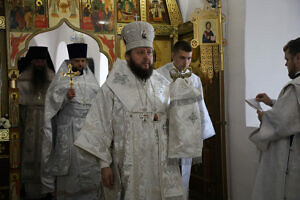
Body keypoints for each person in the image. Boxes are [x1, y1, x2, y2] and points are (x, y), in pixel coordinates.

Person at [74, 21, 185, 200]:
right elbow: (99, 126)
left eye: (149, 52)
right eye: (140, 52)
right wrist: (104, 165)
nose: (146, 57)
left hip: (162, 166)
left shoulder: (163, 85)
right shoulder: (112, 87)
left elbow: (175, 124)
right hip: (129, 167)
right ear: (128, 56)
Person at [41, 43, 102, 200]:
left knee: (89, 164)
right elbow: (51, 104)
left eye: (82, 61)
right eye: (77, 61)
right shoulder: (62, 78)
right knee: (72, 166)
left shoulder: (91, 79)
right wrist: (65, 98)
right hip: (68, 129)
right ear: (70, 61)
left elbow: (98, 102)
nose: (80, 64)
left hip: (88, 130)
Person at [156, 40, 215, 198]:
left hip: (188, 134)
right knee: (167, 174)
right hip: (168, 133)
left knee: (184, 175)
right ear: (173, 55)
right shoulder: (159, 75)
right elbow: (156, 105)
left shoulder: (194, 79)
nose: (186, 63)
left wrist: (202, 132)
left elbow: (200, 105)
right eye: (182, 58)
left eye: (189, 58)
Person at [250, 37, 300, 200]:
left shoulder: (295, 86)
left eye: (287, 59)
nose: (286, 64)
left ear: (298, 58)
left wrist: (264, 117)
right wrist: (271, 102)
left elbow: (281, 121)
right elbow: (294, 111)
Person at [18, 46, 55, 200]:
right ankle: (27, 190)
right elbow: (18, 107)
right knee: (28, 154)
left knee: (46, 155)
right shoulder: (22, 80)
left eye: (42, 61)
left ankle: (47, 190)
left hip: (47, 124)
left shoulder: (53, 80)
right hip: (29, 125)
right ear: (32, 62)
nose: (40, 64)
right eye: (37, 61)